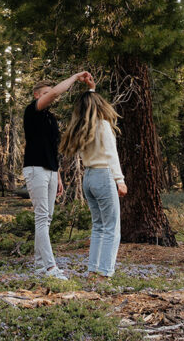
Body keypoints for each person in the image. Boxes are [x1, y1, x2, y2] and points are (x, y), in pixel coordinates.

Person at [23, 70, 94, 280]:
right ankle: (51, 267)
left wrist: (58, 175)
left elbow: (53, 148)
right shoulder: (32, 111)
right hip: (35, 169)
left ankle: (39, 266)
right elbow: (54, 93)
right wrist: (74, 78)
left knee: (47, 218)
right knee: (42, 217)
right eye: (46, 92)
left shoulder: (50, 118)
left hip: (51, 171)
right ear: (37, 95)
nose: (51, 95)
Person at [60, 89, 127, 278]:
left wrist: (91, 89)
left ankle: (93, 271)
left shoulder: (82, 128)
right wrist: (119, 180)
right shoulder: (103, 126)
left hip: (88, 177)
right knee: (111, 227)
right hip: (104, 175)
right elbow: (111, 155)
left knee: (98, 226)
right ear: (99, 105)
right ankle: (105, 273)